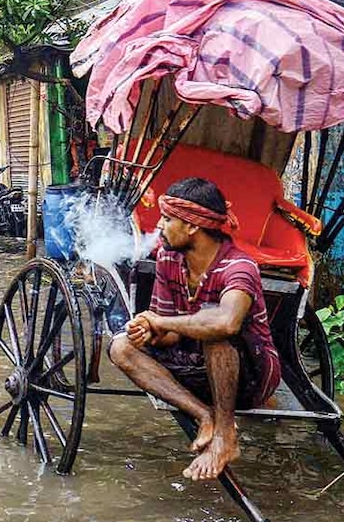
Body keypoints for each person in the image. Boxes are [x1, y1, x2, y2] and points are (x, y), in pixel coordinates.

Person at [107, 177, 281, 482]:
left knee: (216, 335)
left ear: (192, 227)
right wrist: (153, 333)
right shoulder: (168, 257)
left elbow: (226, 323)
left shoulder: (240, 266)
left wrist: (161, 321)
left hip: (248, 377)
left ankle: (225, 436)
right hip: (195, 369)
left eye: (167, 219)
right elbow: (172, 331)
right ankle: (205, 415)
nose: (159, 226)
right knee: (120, 347)